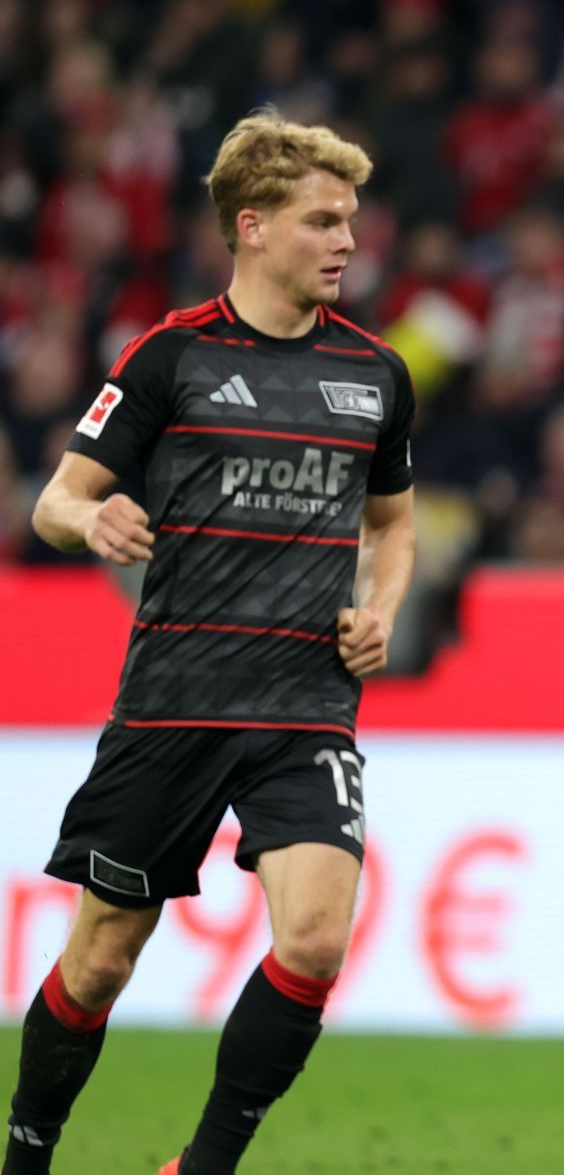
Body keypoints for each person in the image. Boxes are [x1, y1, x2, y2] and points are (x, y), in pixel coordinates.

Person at [4, 110, 417, 1175]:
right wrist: (92, 521)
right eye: (323, 220)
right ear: (253, 226)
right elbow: (56, 498)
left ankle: (205, 1164)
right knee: (99, 962)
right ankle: (26, 1155)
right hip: (176, 700)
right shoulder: (169, 355)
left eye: (351, 222)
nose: (346, 242)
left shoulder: (375, 375)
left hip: (306, 704)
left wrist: (383, 606)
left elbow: (395, 520)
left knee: (319, 938)